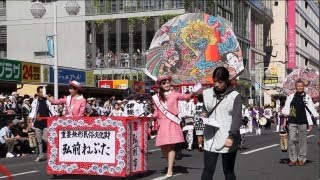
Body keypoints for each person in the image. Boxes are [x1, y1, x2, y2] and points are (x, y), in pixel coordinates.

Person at [151, 75, 201, 178]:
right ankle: (170, 161)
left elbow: (186, 97)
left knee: (171, 146)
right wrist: (152, 117)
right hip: (162, 123)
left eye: (168, 82)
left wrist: (194, 91)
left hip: (172, 121)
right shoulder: (157, 97)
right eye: (164, 83)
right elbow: (156, 111)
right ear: (160, 85)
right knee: (162, 146)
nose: (166, 84)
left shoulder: (174, 94)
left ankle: (170, 169)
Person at [201, 66, 242, 180]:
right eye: (215, 81)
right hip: (210, 137)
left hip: (227, 137)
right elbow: (205, 108)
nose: (217, 85)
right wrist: (204, 113)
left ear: (226, 81)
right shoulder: (207, 93)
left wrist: (231, 136)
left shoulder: (235, 96)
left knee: (228, 171)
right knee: (208, 170)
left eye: (220, 82)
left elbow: (237, 118)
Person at [282, 79, 319, 166]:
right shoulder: (291, 96)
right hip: (292, 120)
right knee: (291, 140)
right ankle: (293, 159)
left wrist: (311, 123)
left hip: (303, 121)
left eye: (301, 86)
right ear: (295, 87)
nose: (299, 87)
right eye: (298, 86)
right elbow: (286, 109)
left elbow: (311, 109)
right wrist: (284, 122)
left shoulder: (307, 97)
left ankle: (301, 158)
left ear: (304, 87)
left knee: (303, 141)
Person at [29, 86, 57, 162]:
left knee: (46, 139)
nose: (43, 93)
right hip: (38, 123)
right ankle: (40, 155)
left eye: (43, 92)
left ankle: (51, 154)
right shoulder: (35, 101)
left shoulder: (47, 101)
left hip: (47, 123)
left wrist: (54, 119)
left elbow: (52, 110)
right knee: (39, 141)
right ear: (38, 93)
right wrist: (30, 123)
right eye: (41, 92)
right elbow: (32, 113)